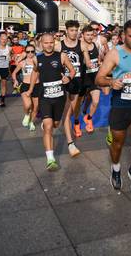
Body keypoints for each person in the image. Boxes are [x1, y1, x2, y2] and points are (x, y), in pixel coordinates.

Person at [95, 20, 131, 194]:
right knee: (117, 145)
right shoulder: (115, 54)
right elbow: (98, 78)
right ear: (123, 36)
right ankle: (115, 168)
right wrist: (111, 81)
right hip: (120, 104)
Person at [34, 33, 75, 171]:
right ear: (41, 44)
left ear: (54, 42)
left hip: (59, 97)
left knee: (56, 124)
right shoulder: (36, 58)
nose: (49, 45)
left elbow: (72, 70)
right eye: (46, 43)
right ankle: (50, 159)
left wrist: (68, 78)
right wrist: (31, 89)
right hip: (45, 97)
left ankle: (50, 123)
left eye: (51, 42)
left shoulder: (61, 56)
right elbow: (35, 72)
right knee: (48, 126)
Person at [55, 20, 84, 157]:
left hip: (76, 81)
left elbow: (91, 56)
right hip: (62, 81)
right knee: (67, 113)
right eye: (71, 30)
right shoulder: (58, 45)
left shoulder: (81, 44)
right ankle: (70, 143)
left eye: (76, 30)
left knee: (71, 110)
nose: (74, 33)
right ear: (66, 30)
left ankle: (57, 120)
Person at [12, 44, 40, 131]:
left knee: (36, 107)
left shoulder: (38, 62)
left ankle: (31, 122)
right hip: (25, 85)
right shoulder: (22, 63)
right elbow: (14, 73)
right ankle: (27, 114)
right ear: (25, 53)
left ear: (35, 52)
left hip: (37, 85)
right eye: (28, 52)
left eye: (32, 51)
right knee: (28, 105)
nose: (30, 53)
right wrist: (15, 81)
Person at [80, 25, 102, 133]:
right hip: (83, 78)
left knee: (96, 101)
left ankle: (88, 118)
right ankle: (79, 115)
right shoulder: (80, 46)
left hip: (94, 77)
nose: (89, 37)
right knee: (84, 98)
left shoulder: (94, 44)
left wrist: (100, 63)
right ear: (83, 35)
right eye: (87, 35)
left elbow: (98, 59)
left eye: (91, 35)